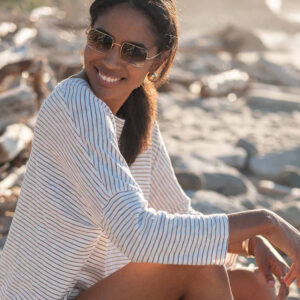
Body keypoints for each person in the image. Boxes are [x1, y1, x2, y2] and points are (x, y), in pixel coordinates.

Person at [0, 0, 299, 299]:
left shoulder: (137, 112)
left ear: (157, 62)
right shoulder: (74, 103)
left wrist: (246, 241)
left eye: (133, 52)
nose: (112, 60)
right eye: (101, 40)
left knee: (255, 286)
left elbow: (177, 212)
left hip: (99, 289)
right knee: (200, 269)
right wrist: (263, 221)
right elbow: (136, 233)